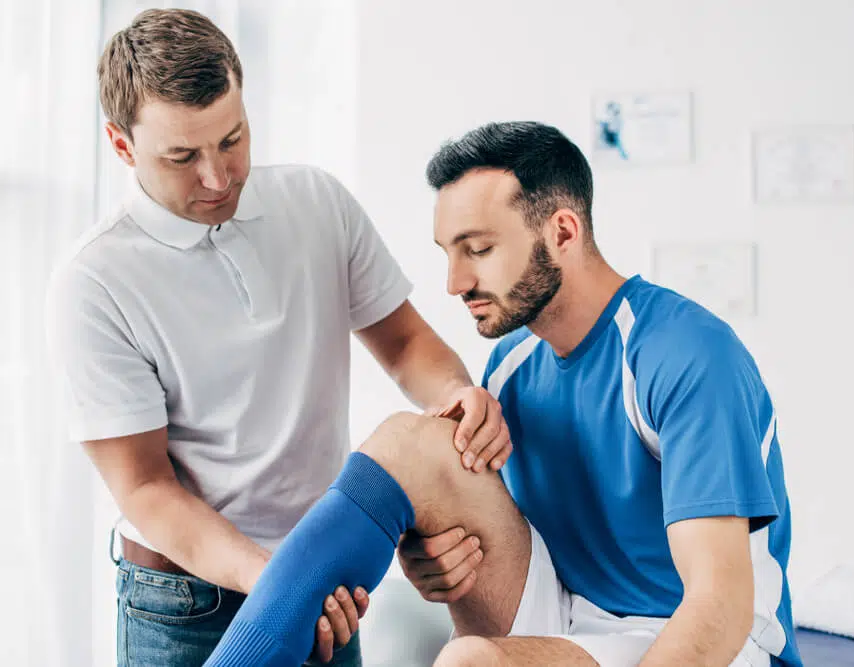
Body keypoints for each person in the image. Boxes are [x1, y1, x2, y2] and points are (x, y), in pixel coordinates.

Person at [201, 121, 803, 667]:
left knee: (469, 664)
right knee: (413, 442)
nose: (455, 283)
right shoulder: (509, 366)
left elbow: (718, 607)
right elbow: (493, 531)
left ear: (562, 231)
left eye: (479, 250)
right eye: (449, 254)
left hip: (702, 640)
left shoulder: (684, 352)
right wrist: (429, 556)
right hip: (570, 616)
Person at [44, 9, 510, 666]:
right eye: (182, 156)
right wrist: (279, 584)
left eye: (232, 139)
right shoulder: (94, 281)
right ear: (122, 146)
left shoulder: (316, 203)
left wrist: (459, 393)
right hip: (183, 597)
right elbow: (147, 488)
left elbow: (406, 344)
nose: (218, 176)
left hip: (322, 576)